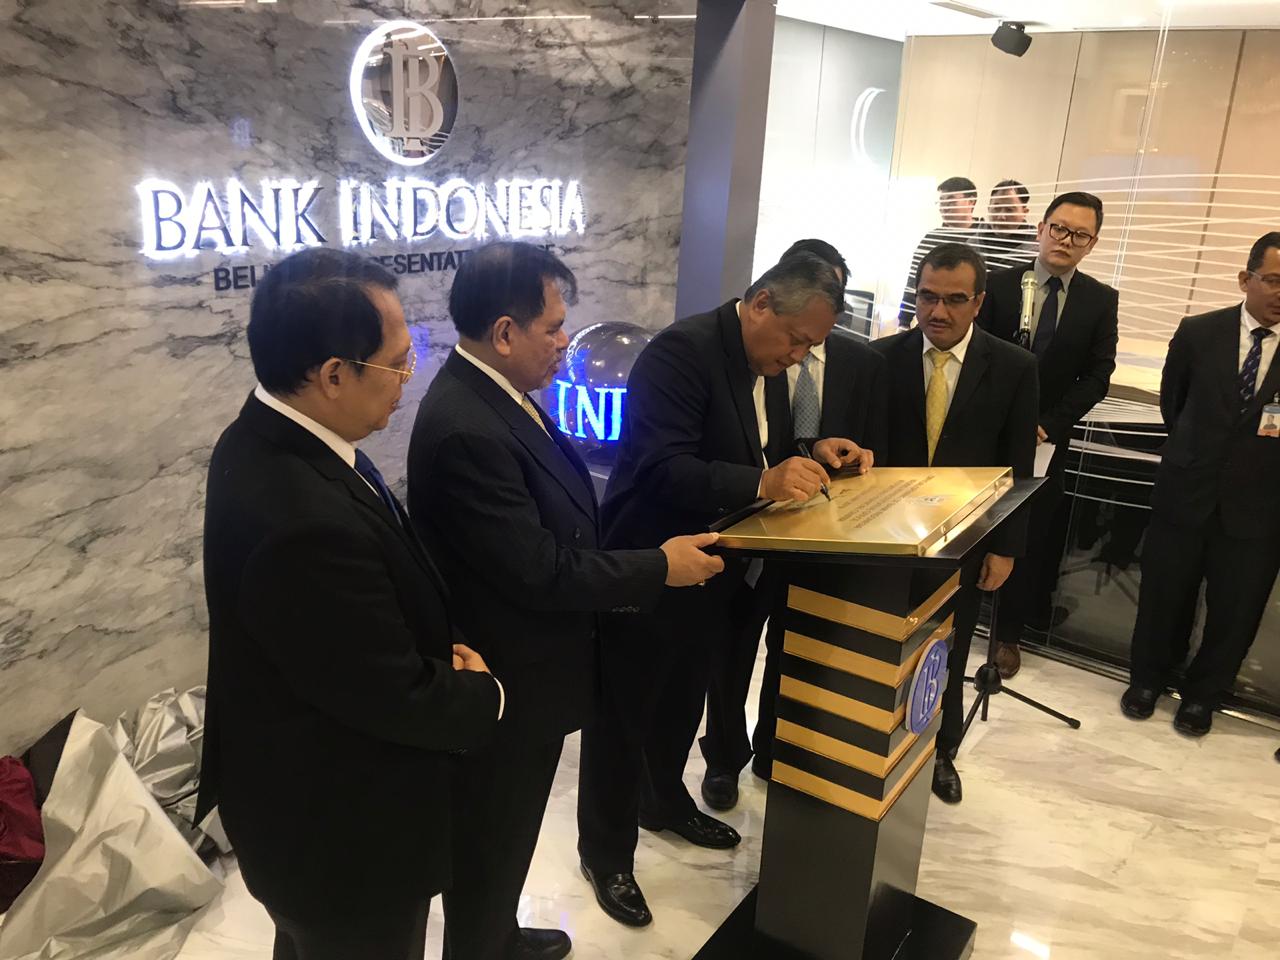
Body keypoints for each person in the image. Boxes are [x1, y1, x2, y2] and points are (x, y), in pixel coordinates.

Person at [406, 242, 724, 960]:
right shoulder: (467, 427)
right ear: (505, 332)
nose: (563, 341)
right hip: (507, 677)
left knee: (510, 831)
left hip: (537, 668)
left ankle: (498, 934)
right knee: (492, 832)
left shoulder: (500, 396)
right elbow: (539, 571)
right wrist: (658, 567)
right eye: (552, 327)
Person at [195, 248, 504, 960]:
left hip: (296, 809)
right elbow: (388, 694)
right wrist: (483, 695)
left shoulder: (266, 434)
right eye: (397, 362)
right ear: (333, 375)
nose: (409, 376)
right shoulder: (303, 519)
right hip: (344, 840)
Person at [576, 253, 873, 926]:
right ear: (761, 304)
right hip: (650, 561)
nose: (798, 357)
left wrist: (810, 454)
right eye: (795, 339)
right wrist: (761, 483)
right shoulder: (680, 353)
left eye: (810, 347)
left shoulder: (766, 362)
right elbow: (662, 467)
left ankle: (663, 802)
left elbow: (759, 447)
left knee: (684, 695)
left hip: (716, 565)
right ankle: (606, 853)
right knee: (624, 713)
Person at [698, 239, 889, 809]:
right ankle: (723, 759)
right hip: (750, 538)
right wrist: (773, 476)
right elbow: (757, 453)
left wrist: (831, 451)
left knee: (798, 653)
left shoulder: (863, 362)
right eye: (800, 334)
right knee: (731, 654)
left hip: (821, 543)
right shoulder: (745, 356)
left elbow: (802, 448)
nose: (803, 350)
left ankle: (778, 749)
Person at [873, 242, 1038, 804]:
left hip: (965, 538)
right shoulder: (881, 359)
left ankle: (941, 749)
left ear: (979, 302)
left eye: (954, 300)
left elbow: (1017, 465)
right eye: (927, 297)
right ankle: (876, 735)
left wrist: (1006, 546)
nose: (937, 312)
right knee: (882, 636)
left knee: (952, 642)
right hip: (886, 535)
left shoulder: (1014, 368)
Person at [1123, 232, 1280, 737]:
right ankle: (1147, 680)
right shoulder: (1199, 332)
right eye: (1274, 280)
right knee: (1164, 595)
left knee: (1235, 611)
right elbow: (1174, 404)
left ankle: (1202, 696)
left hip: (1259, 507)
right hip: (1186, 491)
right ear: (1246, 278)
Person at [977, 191, 1119, 679]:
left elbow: (1097, 376)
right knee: (968, 526)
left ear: (1092, 244)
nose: (1065, 240)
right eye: (1059, 228)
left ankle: (1008, 636)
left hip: (1046, 442)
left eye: (1079, 235)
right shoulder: (996, 285)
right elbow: (974, 355)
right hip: (984, 435)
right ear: (1041, 229)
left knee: (1028, 538)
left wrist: (1048, 424)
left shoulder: (1100, 300)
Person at [898, 176, 982, 329]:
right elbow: (913, 281)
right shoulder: (932, 239)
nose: (944, 208)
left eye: (951, 202)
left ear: (971, 202)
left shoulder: (984, 237)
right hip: (934, 320)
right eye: (941, 202)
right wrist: (904, 320)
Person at [973, 179, 1038, 272]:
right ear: (988, 209)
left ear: (1024, 212)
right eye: (996, 208)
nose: (1001, 216)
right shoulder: (972, 246)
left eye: (1009, 210)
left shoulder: (1037, 253)